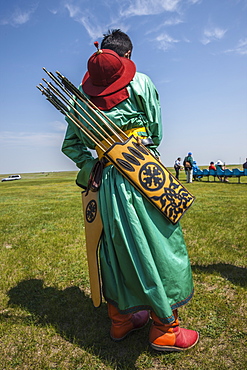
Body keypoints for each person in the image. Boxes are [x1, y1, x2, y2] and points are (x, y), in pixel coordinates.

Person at [61, 29, 199, 352]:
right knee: (161, 245)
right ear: (128, 58)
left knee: (115, 247)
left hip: (107, 182)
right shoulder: (141, 83)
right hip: (141, 172)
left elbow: (71, 145)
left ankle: (121, 321)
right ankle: (165, 328)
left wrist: (94, 167)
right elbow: (157, 132)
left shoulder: (80, 98)